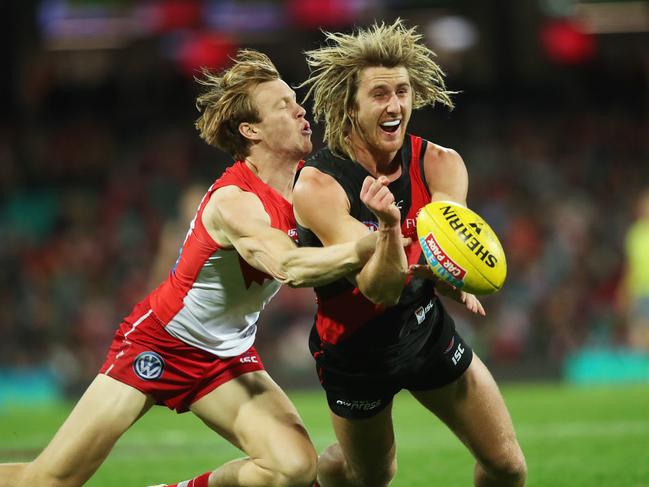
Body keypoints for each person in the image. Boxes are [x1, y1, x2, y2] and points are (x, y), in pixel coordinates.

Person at [0, 50, 387, 487]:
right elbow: (289, 266)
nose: (300, 108)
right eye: (282, 104)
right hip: (159, 341)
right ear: (250, 130)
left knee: (293, 467)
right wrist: (372, 246)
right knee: (49, 481)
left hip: (225, 356)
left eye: (294, 100)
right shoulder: (235, 201)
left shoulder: (311, 189)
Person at [293, 20, 527, 487]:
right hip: (355, 351)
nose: (395, 104)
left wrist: (454, 278)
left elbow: (447, 251)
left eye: (402, 91)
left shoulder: (442, 164)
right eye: (379, 94)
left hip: (424, 329)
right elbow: (376, 289)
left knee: (508, 467)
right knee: (370, 477)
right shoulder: (318, 186)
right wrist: (387, 226)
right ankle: (321, 476)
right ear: (349, 105)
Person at [618, 189, 649, 350]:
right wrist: (624, 291)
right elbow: (629, 266)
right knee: (637, 333)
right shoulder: (634, 234)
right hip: (639, 291)